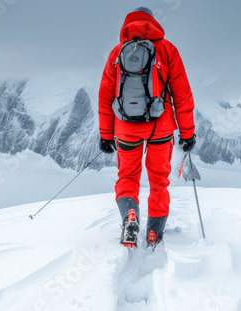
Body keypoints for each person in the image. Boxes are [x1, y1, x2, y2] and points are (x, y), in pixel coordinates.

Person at [97, 7, 196, 248]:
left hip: (126, 127)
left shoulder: (116, 53)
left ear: (127, 25)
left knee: (127, 177)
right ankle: (154, 232)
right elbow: (182, 95)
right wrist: (187, 133)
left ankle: (129, 216)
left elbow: (105, 97)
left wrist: (106, 135)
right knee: (158, 181)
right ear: (153, 22)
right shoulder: (167, 49)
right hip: (160, 128)